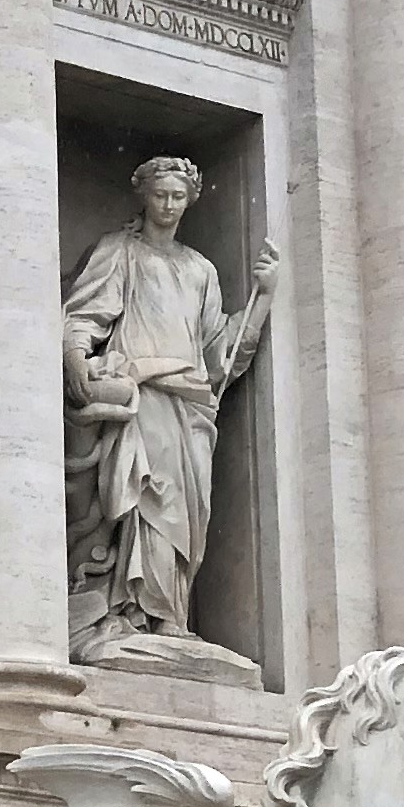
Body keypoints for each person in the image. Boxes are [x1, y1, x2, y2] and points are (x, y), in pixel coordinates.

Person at [61, 155, 276, 657]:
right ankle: (131, 611)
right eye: (161, 194)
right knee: (146, 500)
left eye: (178, 196)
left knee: (185, 512)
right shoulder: (120, 252)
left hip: (190, 406)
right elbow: (84, 313)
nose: (169, 204)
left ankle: (171, 616)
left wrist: (263, 297)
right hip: (146, 397)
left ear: (190, 201)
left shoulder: (200, 269)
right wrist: (75, 355)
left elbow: (220, 349)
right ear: (144, 195)